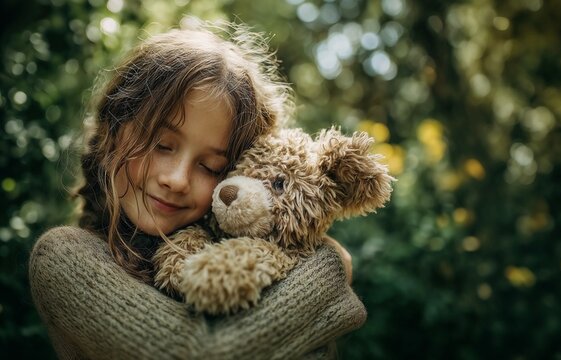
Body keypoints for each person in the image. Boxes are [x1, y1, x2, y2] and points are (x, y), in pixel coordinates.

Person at [28, 21, 365, 359]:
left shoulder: (247, 260)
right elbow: (205, 352)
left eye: (210, 167)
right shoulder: (63, 258)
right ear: (114, 129)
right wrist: (328, 268)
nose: (177, 179)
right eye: (161, 145)